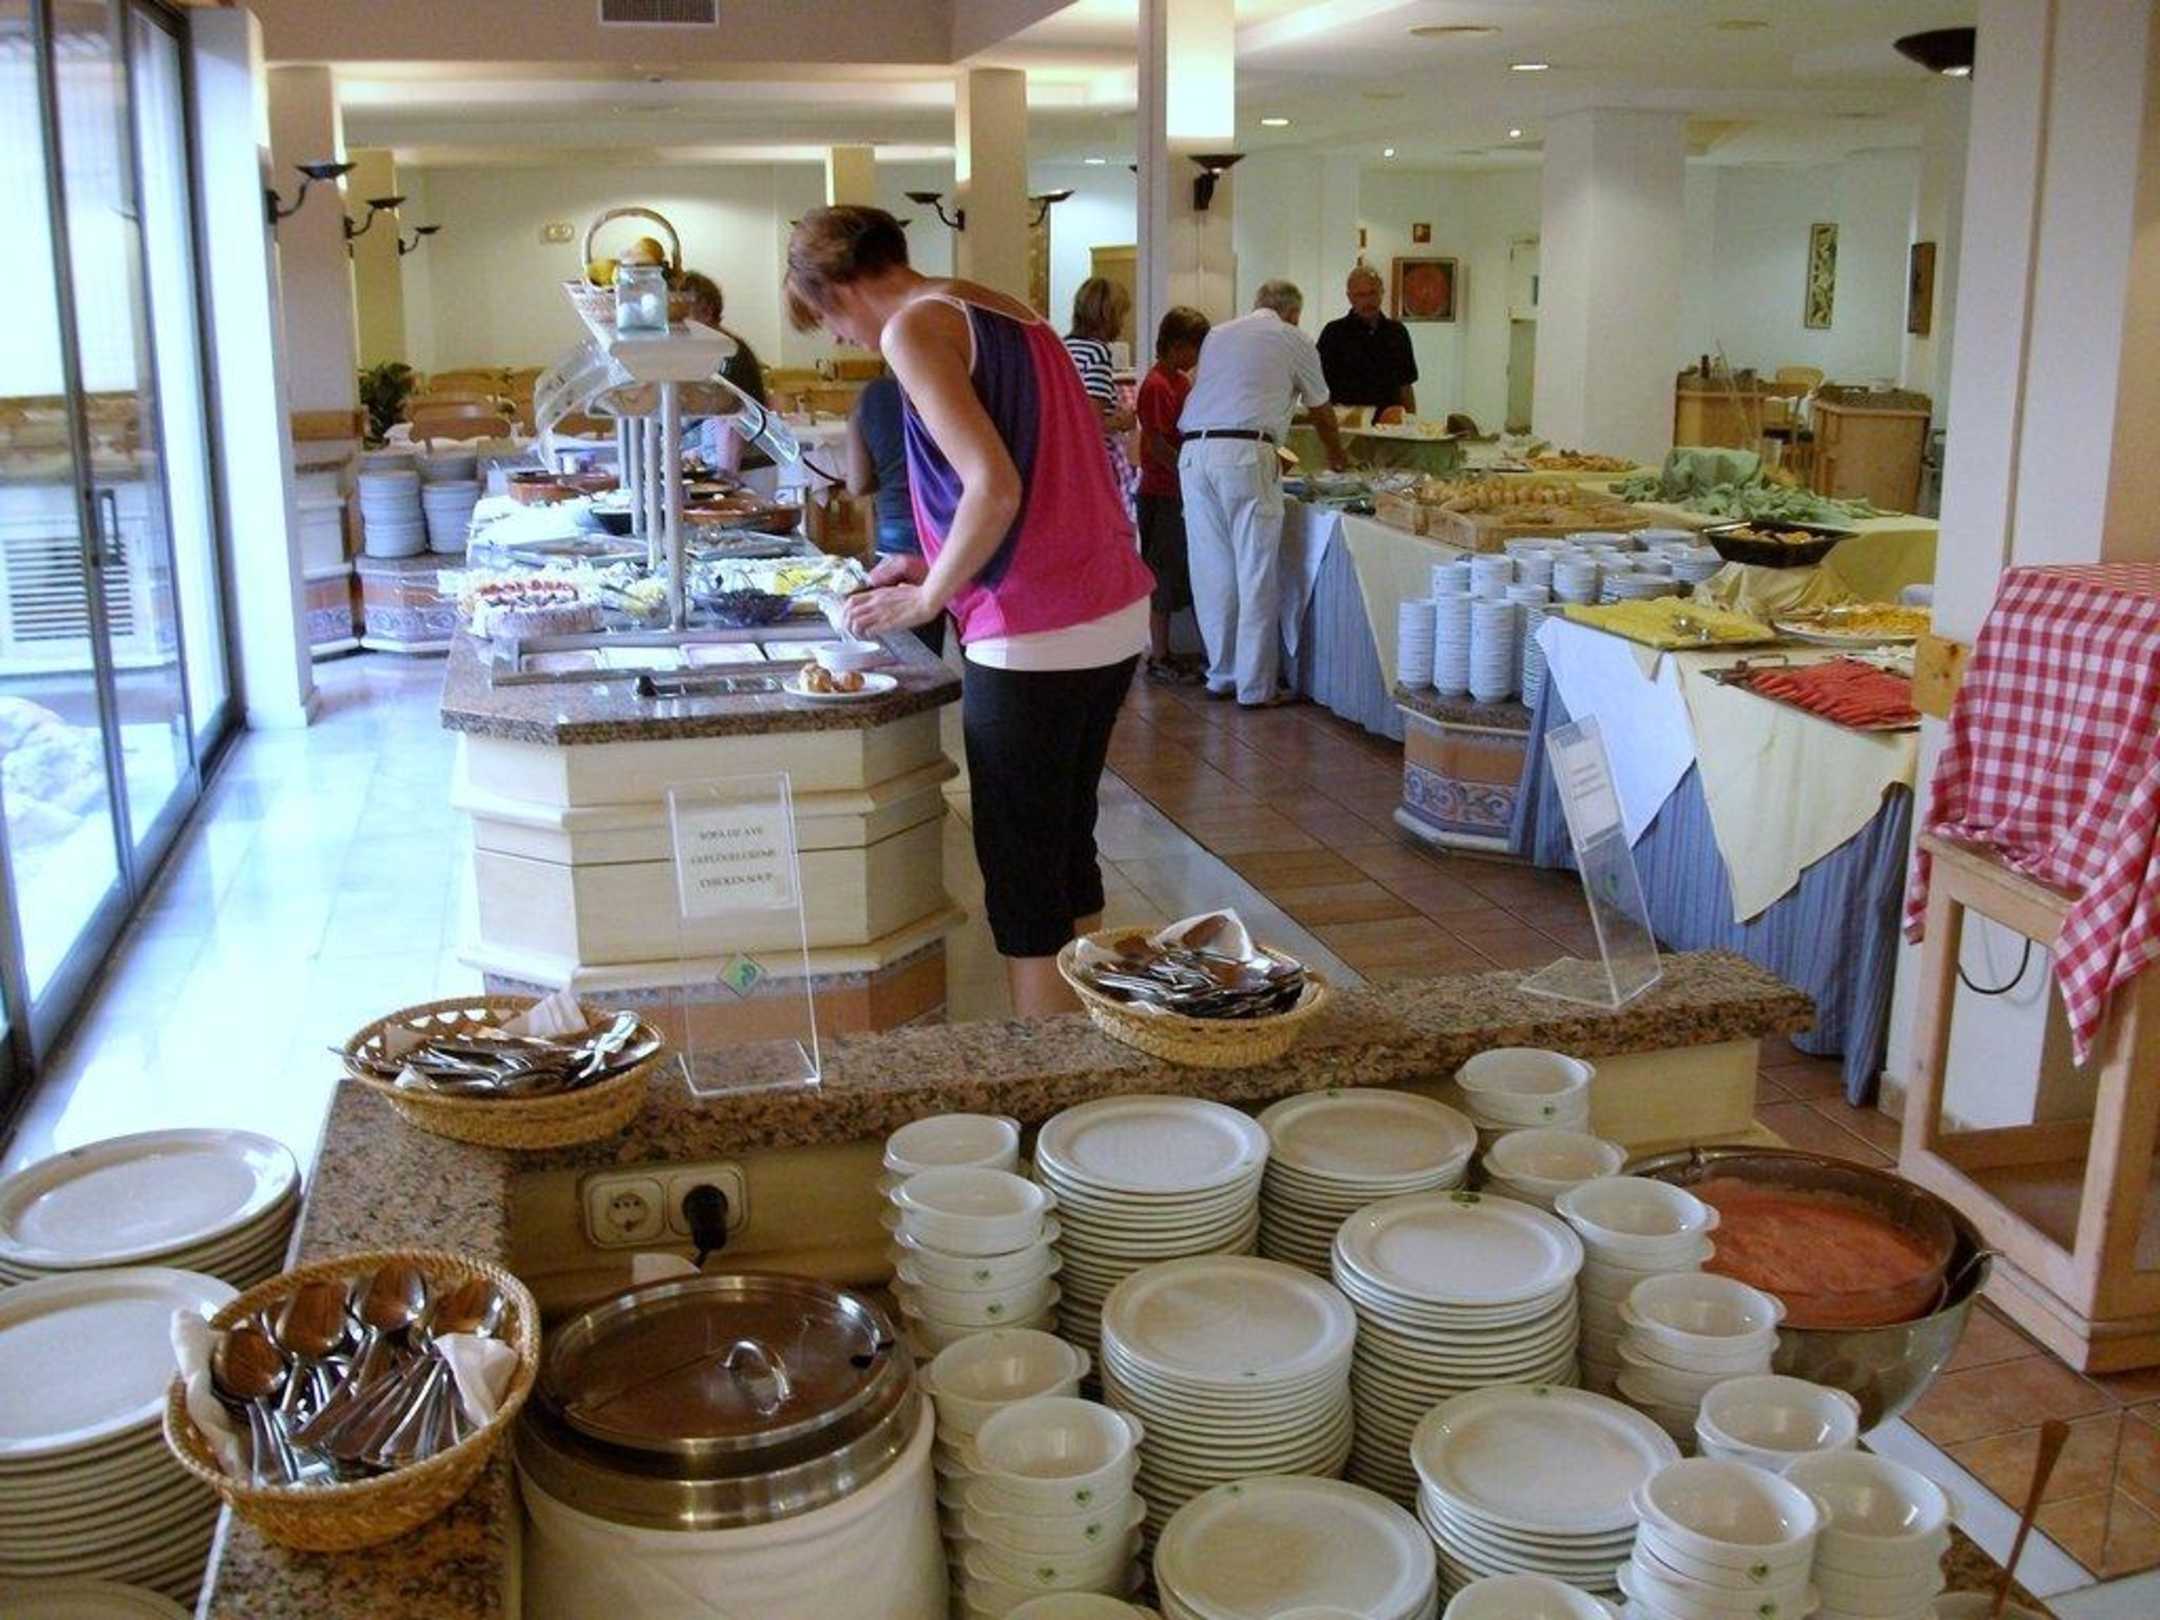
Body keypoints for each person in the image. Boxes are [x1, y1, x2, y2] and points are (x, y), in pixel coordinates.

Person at [784, 205, 1155, 1017]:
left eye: (825, 317)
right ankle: (1089, 1041)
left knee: (1022, 871)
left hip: (1033, 627)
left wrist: (928, 597)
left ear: (837, 286)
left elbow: (995, 485)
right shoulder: (1001, 307)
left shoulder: (912, 328)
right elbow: (1037, 471)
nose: (839, 336)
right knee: (1066, 844)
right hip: (1109, 608)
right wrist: (929, 561)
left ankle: (1049, 1068)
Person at [1176, 280, 1346, 707]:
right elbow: (1321, 409)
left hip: (1194, 453)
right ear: (1293, 314)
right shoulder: (1293, 338)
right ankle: (1254, 687)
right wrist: (1339, 456)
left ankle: (1222, 674)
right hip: (1245, 454)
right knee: (1255, 568)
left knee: (1213, 570)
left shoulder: (1218, 334)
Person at [1134, 306, 1210, 683]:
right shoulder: (1157, 385)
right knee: (1162, 574)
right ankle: (1159, 655)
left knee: (1180, 570)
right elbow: (1156, 442)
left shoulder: (1180, 382)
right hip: (1161, 492)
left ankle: (1176, 650)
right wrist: (1186, 471)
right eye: (1195, 348)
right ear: (1178, 345)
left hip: (1177, 491)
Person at [845, 371, 944, 657]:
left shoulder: (870, 397)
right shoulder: (946, 386)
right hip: (950, 530)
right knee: (974, 643)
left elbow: (858, 483)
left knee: (914, 653)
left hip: (896, 534)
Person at [678, 270, 776, 491]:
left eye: (684, 313)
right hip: (733, 466)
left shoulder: (728, 352)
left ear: (707, 310)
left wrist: (725, 480)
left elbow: (732, 421)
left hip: (745, 469)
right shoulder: (714, 351)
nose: (679, 324)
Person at [1317, 265, 1418, 415]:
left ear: (1382, 293)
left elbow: (1406, 386)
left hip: (1389, 423)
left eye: (1372, 293)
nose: (1368, 301)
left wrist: (1411, 421)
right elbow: (1317, 386)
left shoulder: (1397, 333)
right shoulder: (1333, 333)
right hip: (1346, 423)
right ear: (1350, 297)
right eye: (1360, 295)